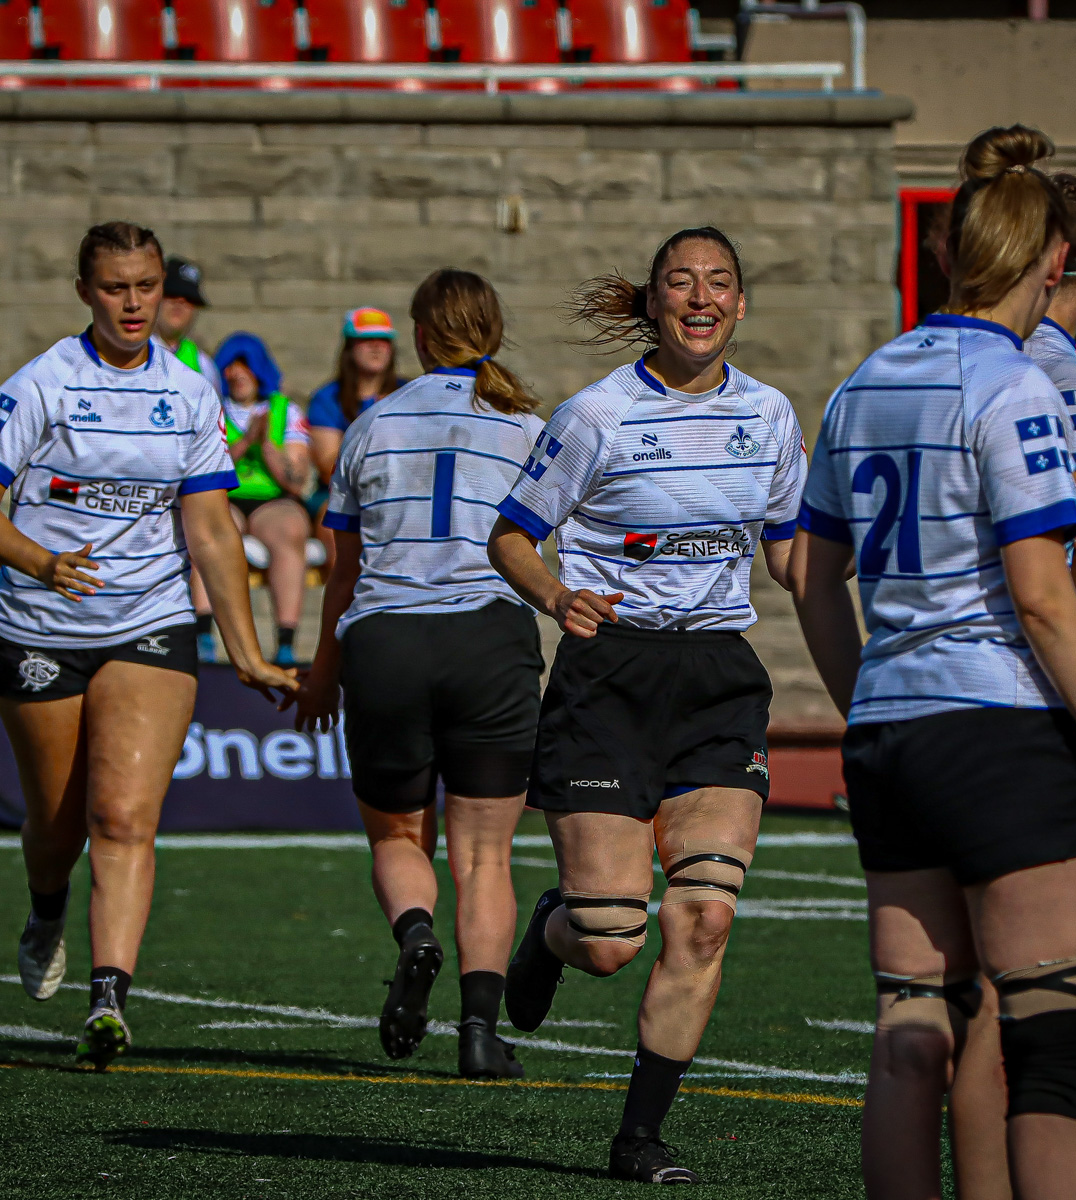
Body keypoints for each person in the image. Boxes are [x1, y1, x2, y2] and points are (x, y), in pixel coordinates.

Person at [789, 126, 1076, 1200]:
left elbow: (811, 571)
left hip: (892, 734)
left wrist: (869, 702)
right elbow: (1046, 594)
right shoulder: (1020, 381)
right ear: (1051, 262)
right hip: (998, 724)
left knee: (913, 1028)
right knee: (1055, 1044)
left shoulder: (865, 378)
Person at [488, 226, 808, 1184]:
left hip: (718, 679)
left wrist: (865, 567)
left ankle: (639, 1138)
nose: (700, 299)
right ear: (655, 304)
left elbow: (790, 556)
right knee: (612, 940)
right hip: (608, 678)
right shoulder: (597, 414)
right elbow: (512, 536)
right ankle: (554, 926)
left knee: (704, 918)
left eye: (718, 283)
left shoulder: (773, 414)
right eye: (681, 283)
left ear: (741, 304)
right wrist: (556, 596)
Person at [0, 222, 295, 1068]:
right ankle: (44, 907)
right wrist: (40, 561)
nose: (133, 302)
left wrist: (247, 653)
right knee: (57, 822)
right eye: (115, 287)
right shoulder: (42, 384)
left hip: (149, 620)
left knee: (124, 815)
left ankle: (108, 999)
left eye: (144, 285)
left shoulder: (189, 391)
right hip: (37, 625)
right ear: (84, 292)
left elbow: (211, 530)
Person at [287, 270, 542, 1080]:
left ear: (421, 338)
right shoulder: (528, 427)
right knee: (485, 858)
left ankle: (416, 934)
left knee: (399, 834)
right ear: (493, 332)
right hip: (489, 639)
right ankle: (478, 1030)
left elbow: (341, 566)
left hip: (387, 638)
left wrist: (322, 673)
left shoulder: (370, 423)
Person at [190, 331, 312, 667]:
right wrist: (246, 441)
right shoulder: (210, 408)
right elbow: (208, 468)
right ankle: (204, 633)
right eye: (231, 366)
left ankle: (285, 640)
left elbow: (295, 482)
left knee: (290, 530)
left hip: (271, 501)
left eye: (246, 365)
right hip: (225, 495)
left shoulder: (286, 411)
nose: (238, 373)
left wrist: (267, 444)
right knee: (209, 527)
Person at [306, 307, 405, 568]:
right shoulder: (327, 399)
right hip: (339, 492)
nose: (376, 346)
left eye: (384, 340)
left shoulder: (409, 392)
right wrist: (376, 424)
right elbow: (329, 469)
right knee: (333, 519)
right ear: (349, 348)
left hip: (402, 489)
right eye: (366, 339)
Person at [152, 255, 222, 398]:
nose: (179, 302)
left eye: (189, 298)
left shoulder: (204, 366)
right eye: (172, 294)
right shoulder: (130, 353)